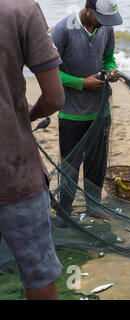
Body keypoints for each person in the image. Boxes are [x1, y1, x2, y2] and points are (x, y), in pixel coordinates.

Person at [0, 0, 65, 299]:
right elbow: (54, 97)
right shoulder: (21, 10)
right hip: (13, 170)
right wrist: (30, 113)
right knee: (38, 272)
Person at [51, 0, 123, 219]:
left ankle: (94, 206)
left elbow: (108, 59)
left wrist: (111, 71)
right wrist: (83, 83)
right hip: (71, 112)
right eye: (101, 18)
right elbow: (51, 72)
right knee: (70, 164)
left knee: (97, 162)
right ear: (88, 9)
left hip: (100, 111)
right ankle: (65, 208)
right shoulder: (62, 30)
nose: (104, 24)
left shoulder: (106, 27)